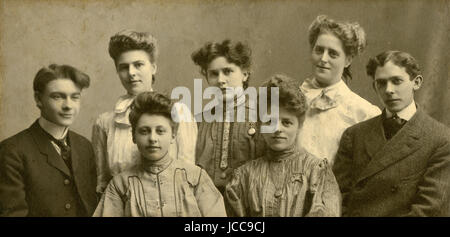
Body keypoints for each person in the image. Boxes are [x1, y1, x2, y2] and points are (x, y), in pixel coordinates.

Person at [333, 50, 450, 216]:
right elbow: (336, 198)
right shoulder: (354, 135)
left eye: (396, 81)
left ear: (416, 82)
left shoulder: (441, 140)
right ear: (374, 87)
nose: (389, 90)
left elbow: (430, 209)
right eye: (381, 83)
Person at [92, 30, 197, 195]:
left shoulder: (179, 113)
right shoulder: (105, 122)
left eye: (138, 64)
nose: (131, 73)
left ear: (153, 67)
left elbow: (188, 175)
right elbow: (102, 183)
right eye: (124, 67)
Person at [93, 92, 226, 217]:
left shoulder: (196, 177)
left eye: (160, 131)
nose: (152, 138)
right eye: (144, 131)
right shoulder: (120, 184)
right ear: (133, 136)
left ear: (173, 135)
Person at [225, 75, 341, 217]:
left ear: (299, 125)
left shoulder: (316, 171)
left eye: (286, 122)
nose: (277, 129)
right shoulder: (243, 177)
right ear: (260, 125)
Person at [0, 64, 97, 216]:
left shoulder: (85, 146)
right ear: (38, 99)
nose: (68, 106)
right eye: (58, 97)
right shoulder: (12, 151)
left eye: (75, 97)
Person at [297, 15, 381, 165]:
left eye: (333, 53)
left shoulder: (364, 113)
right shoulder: (288, 98)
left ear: (348, 60)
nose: (323, 59)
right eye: (319, 50)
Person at [191, 40, 266, 194]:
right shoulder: (198, 122)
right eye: (213, 74)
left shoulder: (261, 117)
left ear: (245, 74)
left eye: (227, 71)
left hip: (250, 204)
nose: (220, 80)